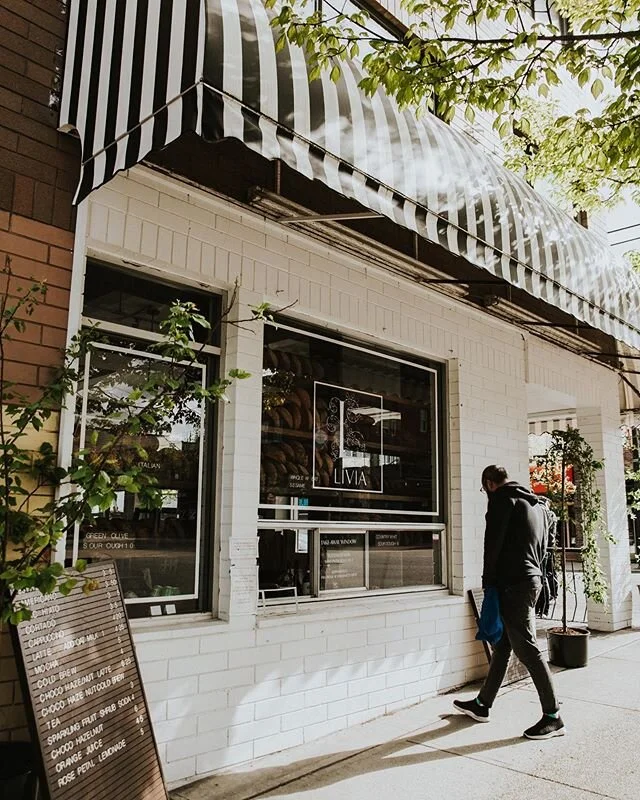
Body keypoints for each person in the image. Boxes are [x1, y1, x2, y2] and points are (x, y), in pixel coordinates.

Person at [453, 465, 565, 740]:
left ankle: (553, 716)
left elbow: (492, 545)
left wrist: (488, 582)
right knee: (502, 646)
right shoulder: (535, 504)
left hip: (512, 583)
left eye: (484, 489)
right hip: (530, 579)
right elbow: (543, 547)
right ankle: (482, 705)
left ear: (490, 483)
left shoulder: (502, 500)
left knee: (527, 649)